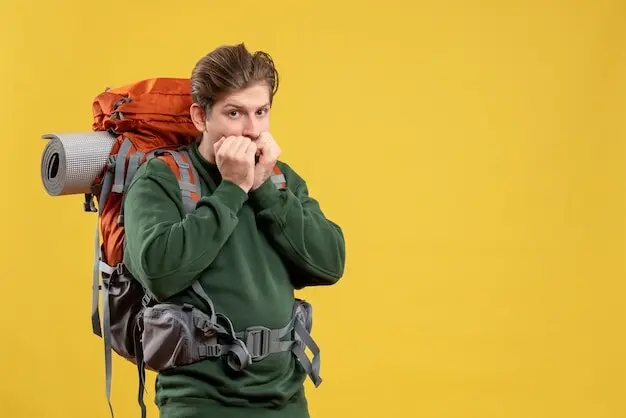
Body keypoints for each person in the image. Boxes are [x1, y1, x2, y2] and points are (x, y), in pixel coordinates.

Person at [122, 43, 346, 418]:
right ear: (201, 117)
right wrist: (232, 189)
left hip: (285, 397)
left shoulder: (279, 179)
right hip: (199, 400)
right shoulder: (161, 179)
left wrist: (265, 190)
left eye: (261, 112)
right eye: (234, 113)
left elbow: (330, 263)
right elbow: (160, 273)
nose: (253, 130)